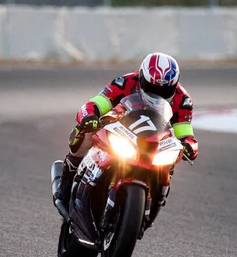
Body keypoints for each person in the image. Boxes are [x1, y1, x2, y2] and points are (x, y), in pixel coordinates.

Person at [54, 52, 199, 210]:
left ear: (174, 85)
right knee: (84, 134)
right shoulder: (125, 83)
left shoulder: (182, 100)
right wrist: (89, 116)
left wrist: (189, 146)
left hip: (155, 138)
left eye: (164, 91)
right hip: (122, 128)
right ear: (142, 78)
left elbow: (186, 134)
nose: (157, 94)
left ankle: (157, 197)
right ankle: (66, 186)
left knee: (173, 156)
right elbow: (95, 104)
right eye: (151, 88)